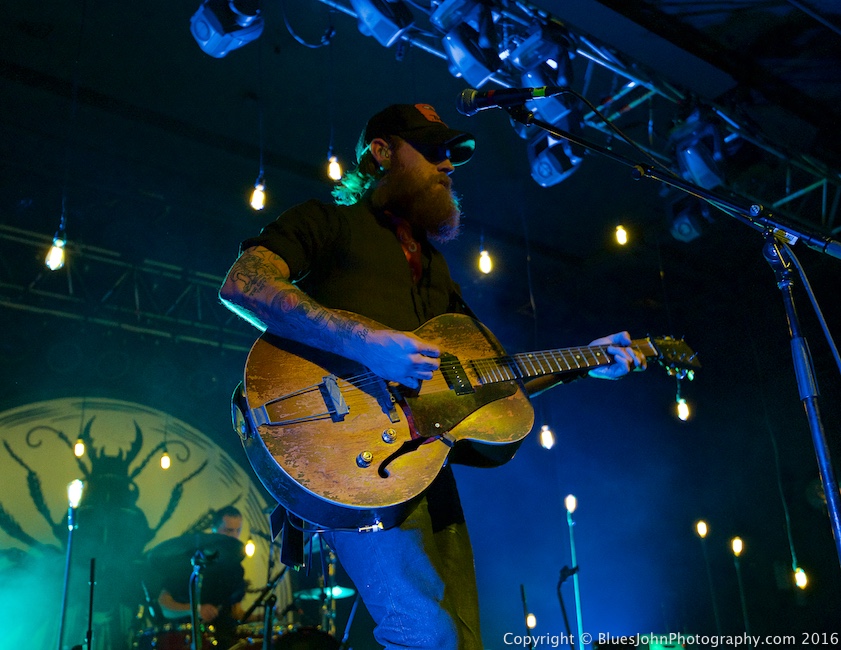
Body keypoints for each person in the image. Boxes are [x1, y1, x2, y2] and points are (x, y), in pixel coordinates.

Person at [218, 103, 647, 650]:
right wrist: (366, 342)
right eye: (433, 150)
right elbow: (244, 282)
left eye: (452, 155)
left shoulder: (435, 269)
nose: (448, 164)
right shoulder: (328, 222)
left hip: (424, 467)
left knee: (464, 640)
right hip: (349, 462)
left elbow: (488, 380)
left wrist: (584, 362)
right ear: (380, 151)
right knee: (428, 635)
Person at [156, 506, 248, 647]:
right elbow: (164, 606)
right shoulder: (188, 563)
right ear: (214, 529)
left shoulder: (236, 569)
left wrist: (263, 616)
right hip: (185, 640)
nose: (234, 536)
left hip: (222, 640)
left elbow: (235, 612)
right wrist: (195, 610)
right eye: (229, 530)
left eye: (238, 530)